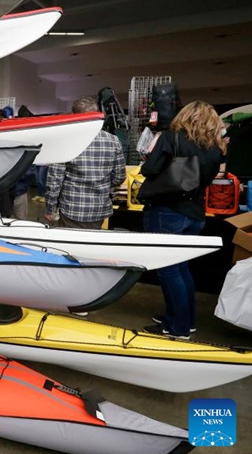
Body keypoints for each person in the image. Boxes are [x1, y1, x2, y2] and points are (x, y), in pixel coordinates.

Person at [141, 101, 225, 340]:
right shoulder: (215, 147)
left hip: (168, 210)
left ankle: (177, 327)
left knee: (168, 270)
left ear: (184, 116)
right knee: (181, 268)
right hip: (195, 213)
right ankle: (184, 320)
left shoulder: (172, 138)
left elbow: (150, 170)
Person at [45, 96, 126, 230]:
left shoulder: (65, 141)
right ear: (98, 114)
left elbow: (54, 180)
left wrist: (50, 208)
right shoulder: (113, 140)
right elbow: (119, 177)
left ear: (75, 117)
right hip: (99, 208)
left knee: (67, 247)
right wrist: (102, 184)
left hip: (72, 208)